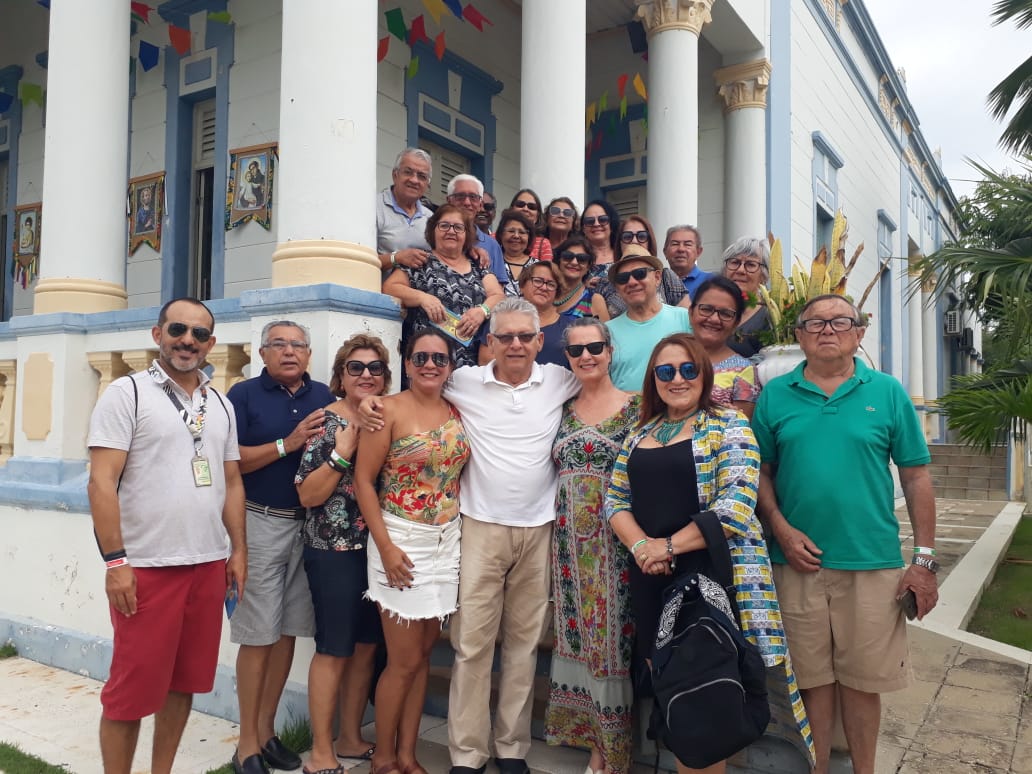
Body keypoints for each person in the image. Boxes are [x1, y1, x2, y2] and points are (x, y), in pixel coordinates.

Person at [362, 297, 581, 774]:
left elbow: (607, 386)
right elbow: (414, 394)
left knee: (522, 647)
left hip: (539, 530)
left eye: (526, 336)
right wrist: (368, 402)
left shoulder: (560, 381)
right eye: (505, 336)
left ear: (540, 341)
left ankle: (511, 748)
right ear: (489, 343)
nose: (516, 344)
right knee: (472, 645)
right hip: (478, 528)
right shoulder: (463, 382)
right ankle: (467, 753)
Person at [605, 333, 812, 774]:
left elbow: (736, 506)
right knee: (669, 692)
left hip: (706, 581)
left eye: (687, 369)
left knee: (704, 701)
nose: (676, 379)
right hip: (650, 579)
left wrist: (665, 546)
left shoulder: (729, 425)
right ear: (653, 379)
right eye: (665, 371)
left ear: (704, 372)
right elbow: (615, 500)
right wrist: (643, 547)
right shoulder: (640, 432)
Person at [753, 295, 938, 774]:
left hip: (871, 561)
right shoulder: (776, 395)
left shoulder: (887, 391)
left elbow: (916, 476)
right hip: (797, 561)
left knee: (861, 682)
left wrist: (923, 560)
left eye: (840, 321)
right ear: (798, 335)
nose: (827, 330)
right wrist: (781, 528)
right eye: (815, 323)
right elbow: (760, 473)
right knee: (812, 681)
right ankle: (817, 768)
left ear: (858, 333)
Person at [87, 297, 246, 774]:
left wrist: (238, 550)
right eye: (178, 329)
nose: (188, 341)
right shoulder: (126, 393)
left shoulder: (219, 402)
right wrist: (116, 562)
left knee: (184, 683)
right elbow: (100, 483)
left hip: (207, 565)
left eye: (200, 334)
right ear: (158, 334)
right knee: (130, 694)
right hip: (147, 569)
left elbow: (232, 480)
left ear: (211, 345)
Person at [355, 329, 471, 774]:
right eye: (421, 356)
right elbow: (364, 481)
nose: (430, 364)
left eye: (439, 358)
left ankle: (408, 753)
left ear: (450, 366)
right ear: (406, 363)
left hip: (447, 541)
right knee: (402, 661)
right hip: (400, 540)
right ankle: (383, 757)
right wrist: (385, 547)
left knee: (422, 657)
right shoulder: (386, 411)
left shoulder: (455, 408)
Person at [227, 321, 334, 774]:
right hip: (259, 523)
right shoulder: (243, 396)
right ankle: (245, 744)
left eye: (297, 345)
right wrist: (286, 443)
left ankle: (267, 731)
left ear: (309, 354)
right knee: (257, 635)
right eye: (279, 345)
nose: (289, 352)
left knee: (287, 631)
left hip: (307, 528)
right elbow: (230, 461)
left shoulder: (323, 395)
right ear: (263, 352)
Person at [545, 318, 640, 774]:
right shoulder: (559, 410)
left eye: (595, 347)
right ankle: (591, 741)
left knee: (612, 644)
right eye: (577, 350)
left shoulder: (637, 408)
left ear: (610, 350)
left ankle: (612, 752)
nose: (587, 356)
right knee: (579, 640)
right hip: (566, 549)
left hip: (617, 545)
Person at [294, 335, 392, 773]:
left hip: (378, 551)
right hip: (333, 550)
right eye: (356, 367)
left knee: (367, 647)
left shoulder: (390, 418)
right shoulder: (325, 423)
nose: (366, 375)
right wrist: (342, 453)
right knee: (334, 648)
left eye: (374, 368)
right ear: (340, 376)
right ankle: (320, 750)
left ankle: (350, 737)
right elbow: (308, 496)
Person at [383, 204, 504, 368]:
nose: (451, 231)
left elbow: (498, 296)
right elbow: (390, 287)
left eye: (458, 227)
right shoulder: (420, 260)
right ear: (433, 230)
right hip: (427, 363)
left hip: (470, 365)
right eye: (444, 225)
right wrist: (422, 298)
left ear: (467, 234)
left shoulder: (478, 264)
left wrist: (482, 311)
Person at [605, 245, 692, 392]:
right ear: (617, 288)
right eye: (623, 278)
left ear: (657, 277)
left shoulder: (685, 318)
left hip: (676, 411)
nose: (632, 282)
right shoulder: (606, 331)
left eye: (640, 273)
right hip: (626, 413)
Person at [689, 276, 761, 419]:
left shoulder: (744, 371)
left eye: (726, 314)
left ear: (736, 323)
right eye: (706, 309)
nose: (714, 319)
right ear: (691, 312)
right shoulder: (670, 358)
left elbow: (741, 429)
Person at [481, 261, 571, 368]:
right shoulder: (500, 319)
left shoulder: (570, 327)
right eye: (538, 281)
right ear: (522, 285)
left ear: (557, 291)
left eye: (551, 284)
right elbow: (485, 361)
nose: (544, 287)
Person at [377, 148, 434, 272]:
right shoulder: (374, 207)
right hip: (377, 289)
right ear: (395, 175)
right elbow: (360, 259)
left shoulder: (431, 218)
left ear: (427, 184)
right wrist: (396, 258)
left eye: (422, 176)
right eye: (408, 172)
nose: (414, 180)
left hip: (416, 290)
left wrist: (471, 250)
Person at [447, 174, 507, 284]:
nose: (467, 202)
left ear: (480, 204)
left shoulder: (492, 245)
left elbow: (499, 291)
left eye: (473, 197)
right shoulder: (437, 234)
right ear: (449, 200)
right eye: (460, 196)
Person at [721, 237, 772, 358]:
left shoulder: (770, 316)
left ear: (764, 276)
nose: (740, 270)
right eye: (735, 262)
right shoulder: (710, 307)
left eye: (750, 264)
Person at [552, 235, 610, 321]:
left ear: (588, 266)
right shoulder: (544, 292)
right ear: (559, 260)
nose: (574, 262)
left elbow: (605, 334)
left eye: (582, 258)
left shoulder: (594, 300)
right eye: (568, 256)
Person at [494, 208, 538, 297]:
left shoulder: (537, 266)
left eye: (522, 232)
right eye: (511, 231)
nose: (516, 236)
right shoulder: (491, 262)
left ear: (529, 238)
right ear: (501, 234)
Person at [664, 224, 711, 299]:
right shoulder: (656, 283)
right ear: (665, 252)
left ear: (698, 252)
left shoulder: (711, 281)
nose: (681, 249)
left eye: (687, 244)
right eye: (675, 244)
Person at [509, 188, 552, 261]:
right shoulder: (494, 238)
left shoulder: (543, 244)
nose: (525, 209)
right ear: (512, 208)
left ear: (537, 215)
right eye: (520, 204)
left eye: (531, 207)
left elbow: (546, 271)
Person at [580, 199, 619, 270]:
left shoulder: (623, 256)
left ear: (612, 224)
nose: (596, 224)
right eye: (590, 221)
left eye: (603, 219)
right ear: (583, 229)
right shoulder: (576, 260)